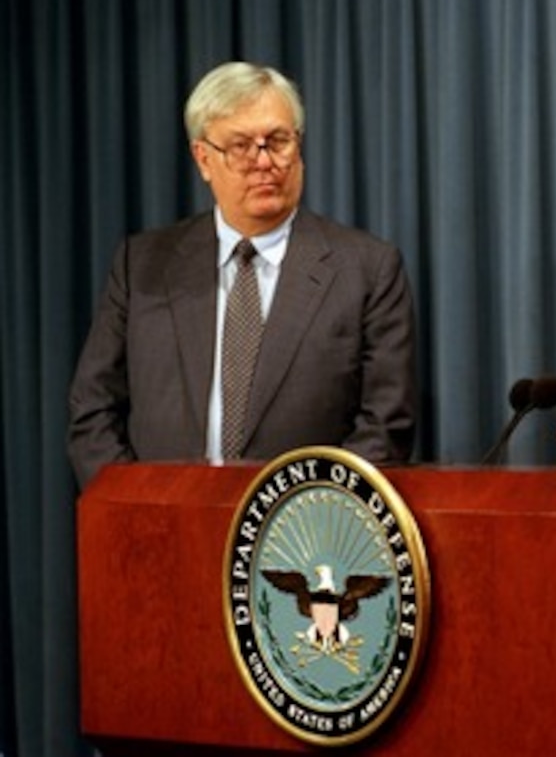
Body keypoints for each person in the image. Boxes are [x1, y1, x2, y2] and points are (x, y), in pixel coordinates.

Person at [68, 61, 416, 488]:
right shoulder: (142, 265)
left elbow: (385, 426)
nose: (263, 161)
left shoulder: (367, 270)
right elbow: (93, 410)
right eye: (240, 146)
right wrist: (140, 507)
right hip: (163, 530)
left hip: (302, 542)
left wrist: (306, 521)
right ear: (204, 158)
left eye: (277, 141)